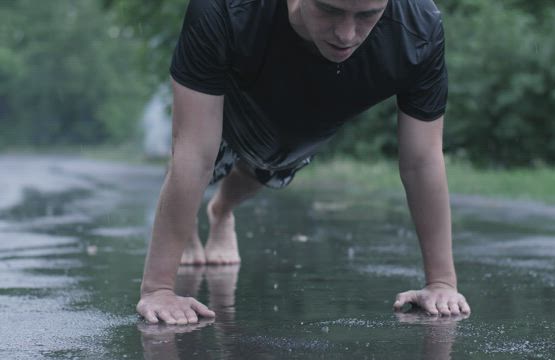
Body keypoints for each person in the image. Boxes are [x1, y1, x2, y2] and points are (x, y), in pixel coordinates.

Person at [136, 0, 471, 325]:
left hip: (296, 129)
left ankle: (220, 212)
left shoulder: (419, 28)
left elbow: (422, 161)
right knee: (192, 158)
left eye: (368, 16)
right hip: (227, 98)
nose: (346, 33)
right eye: (329, 10)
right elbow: (194, 153)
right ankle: (188, 230)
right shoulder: (223, 8)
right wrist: (159, 288)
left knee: (262, 172)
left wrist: (441, 283)